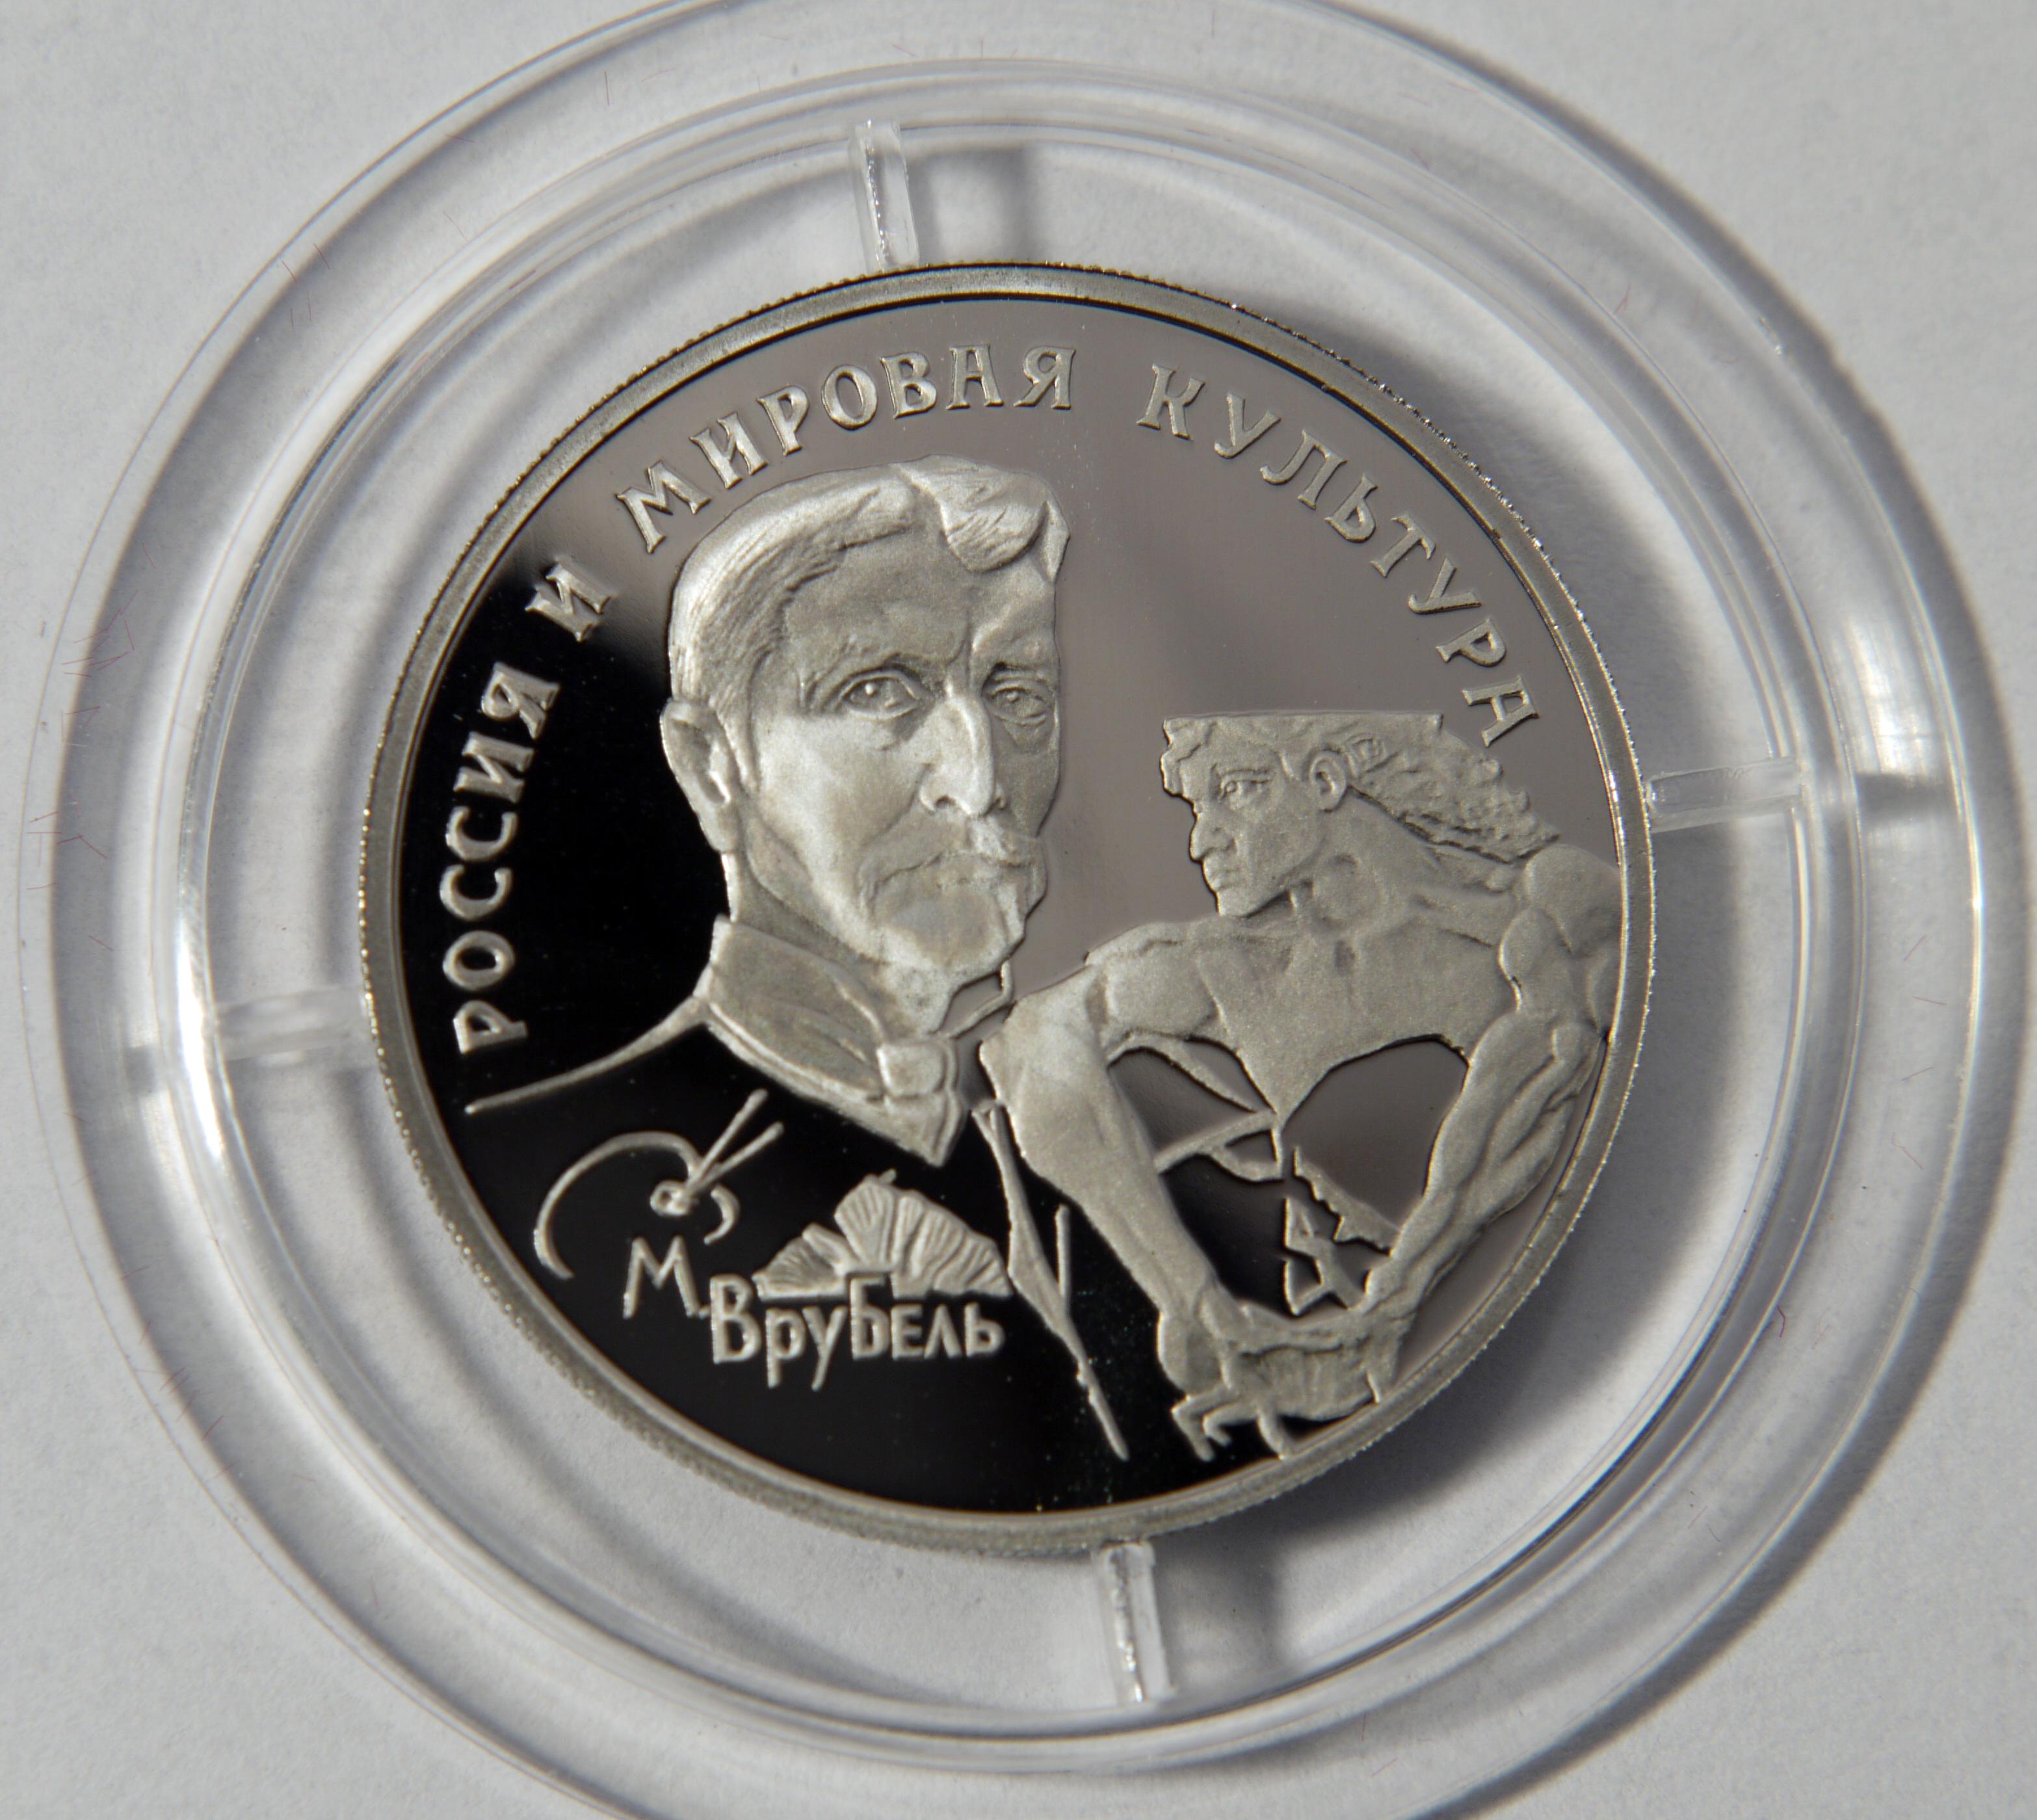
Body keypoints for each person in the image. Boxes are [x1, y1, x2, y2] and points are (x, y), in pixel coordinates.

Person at [982, 710, 1621, 1460]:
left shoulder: (1537, 921)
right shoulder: (1226, 967)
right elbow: (1030, 1044)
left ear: (1323, 781)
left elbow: (1528, 1100)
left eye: (1235, 791)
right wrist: (1196, 1300)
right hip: (1411, 1384)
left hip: (1568, 1356)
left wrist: (1392, 1310)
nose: (1202, 840)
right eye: (1197, 807)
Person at [475, 455, 1068, 1163]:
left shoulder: (1062, 1140)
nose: (979, 783)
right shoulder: (576, 1160)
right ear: (711, 768)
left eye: (1018, 696)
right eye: (877, 692)